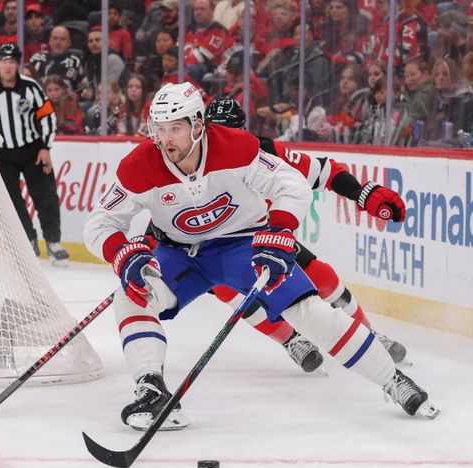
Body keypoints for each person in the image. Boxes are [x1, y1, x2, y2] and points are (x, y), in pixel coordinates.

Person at [83, 82, 438, 432]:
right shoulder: (139, 164)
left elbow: (293, 183)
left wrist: (280, 230)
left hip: (244, 244)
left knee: (310, 311)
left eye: (175, 128)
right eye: (159, 129)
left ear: (197, 126)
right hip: (182, 253)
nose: (165, 138)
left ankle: (393, 380)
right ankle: (150, 387)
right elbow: (101, 221)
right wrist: (122, 254)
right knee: (131, 294)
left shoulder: (239, 147)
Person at [204, 97, 409, 372]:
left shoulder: (263, 151)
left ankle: (368, 334)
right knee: (228, 289)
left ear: (244, 131)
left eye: (232, 133)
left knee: (321, 274)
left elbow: (323, 171)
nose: (225, 142)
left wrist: (360, 192)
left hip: (263, 237)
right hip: (214, 247)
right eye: (218, 133)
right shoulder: (186, 163)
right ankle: (290, 340)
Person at [0, 43, 69, 266]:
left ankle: (54, 242)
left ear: (17, 64)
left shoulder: (31, 87)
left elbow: (47, 116)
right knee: (11, 201)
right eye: (3, 61)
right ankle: (29, 240)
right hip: (1, 153)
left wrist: (46, 147)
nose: (7, 66)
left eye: (11, 61)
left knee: (46, 196)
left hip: (32, 150)